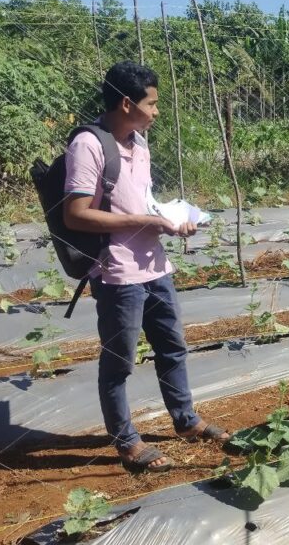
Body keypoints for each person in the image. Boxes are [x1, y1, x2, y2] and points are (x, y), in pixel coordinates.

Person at [64, 61, 229, 473]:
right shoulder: (88, 145)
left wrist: (170, 218)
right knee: (119, 363)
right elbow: (75, 214)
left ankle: (185, 420)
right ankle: (126, 441)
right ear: (126, 103)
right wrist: (145, 221)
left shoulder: (139, 143)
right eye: (151, 104)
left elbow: (142, 200)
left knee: (172, 347)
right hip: (117, 272)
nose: (156, 111)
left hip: (155, 265)